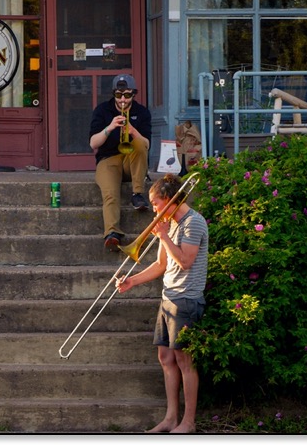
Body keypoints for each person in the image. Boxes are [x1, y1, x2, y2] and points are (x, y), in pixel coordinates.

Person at [116, 174, 208, 433]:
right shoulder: (169, 223)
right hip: (169, 297)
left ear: (168, 200)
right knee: (165, 356)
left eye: (156, 203)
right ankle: (170, 418)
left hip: (187, 300)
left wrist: (165, 237)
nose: (153, 209)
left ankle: (188, 423)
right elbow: (161, 265)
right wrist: (131, 281)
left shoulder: (193, 223)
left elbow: (185, 262)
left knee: (184, 359)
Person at [89, 74, 152, 251]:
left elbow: (146, 145)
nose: (123, 99)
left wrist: (132, 131)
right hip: (108, 160)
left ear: (134, 94)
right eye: (118, 95)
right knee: (110, 193)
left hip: (131, 161)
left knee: (139, 143)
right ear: (113, 94)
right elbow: (93, 143)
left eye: (127, 95)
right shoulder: (102, 110)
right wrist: (109, 128)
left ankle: (137, 193)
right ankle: (112, 233)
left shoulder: (142, 112)